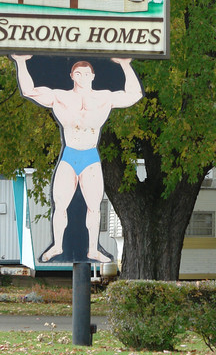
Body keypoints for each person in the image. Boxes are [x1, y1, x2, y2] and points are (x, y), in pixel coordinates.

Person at [11, 55, 142, 262]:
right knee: (60, 203)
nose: (82, 77)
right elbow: (29, 90)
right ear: (72, 76)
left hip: (90, 156)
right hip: (69, 154)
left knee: (93, 206)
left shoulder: (103, 98)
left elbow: (134, 95)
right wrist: (20, 62)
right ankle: (57, 246)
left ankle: (92, 249)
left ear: (93, 76)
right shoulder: (60, 96)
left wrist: (126, 65)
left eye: (86, 73)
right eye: (78, 73)